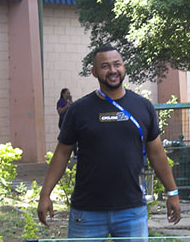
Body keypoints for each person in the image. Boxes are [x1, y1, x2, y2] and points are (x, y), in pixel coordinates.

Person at [38, 45, 181, 239]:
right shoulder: (79, 110)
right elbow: (62, 154)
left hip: (131, 211)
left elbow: (157, 153)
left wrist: (172, 192)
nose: (112, 70)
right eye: (105, 66)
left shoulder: (143, 107)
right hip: (87, 211)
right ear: (94, 71)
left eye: (117, 64)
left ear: (124, 68)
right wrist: (45, 194)